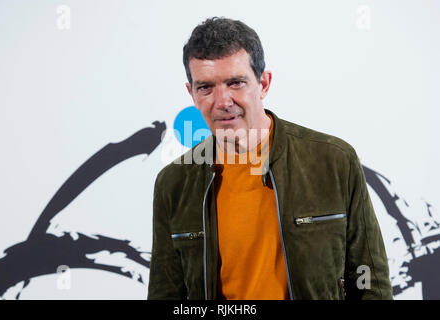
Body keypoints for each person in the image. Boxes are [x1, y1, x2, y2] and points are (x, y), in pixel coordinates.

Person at [147, 17, 393, 300]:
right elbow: (165, 293)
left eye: (236, 83)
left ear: (263, 84)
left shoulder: (333, 161)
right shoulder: (174, 182)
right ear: (191, 93)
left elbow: (369, 279)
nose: (223, 101)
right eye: (206, 87)